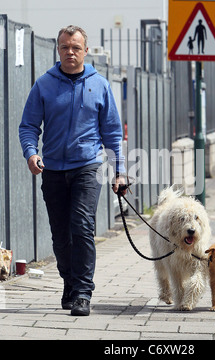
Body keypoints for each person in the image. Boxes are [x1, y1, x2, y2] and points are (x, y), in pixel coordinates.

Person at [19, 25, 127, 316]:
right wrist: (31, 154)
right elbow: (28, 126)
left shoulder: (99, 85)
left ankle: (82, 293)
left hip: (88, 167)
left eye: (76, 47)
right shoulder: (44, 84)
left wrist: (120, 171)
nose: (70, 52)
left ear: (85, 51)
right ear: (58, 49)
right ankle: (69, 282)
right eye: (65, 47)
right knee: (60, 235)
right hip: (52, 169)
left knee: (82, 226)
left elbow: (113, 134)